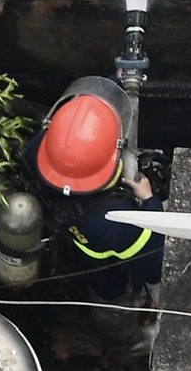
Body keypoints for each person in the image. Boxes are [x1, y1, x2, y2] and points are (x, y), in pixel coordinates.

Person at [20, 76, 164, 291]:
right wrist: (150, 200)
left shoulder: (39, 149)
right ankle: (116, 316)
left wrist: (113, 81)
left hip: (66, 236)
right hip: (104, 270)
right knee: (111, 292)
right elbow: (153, 269)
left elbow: (82, 117)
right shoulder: (117, 222)